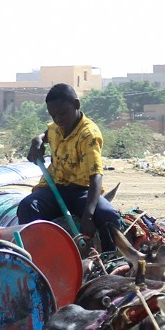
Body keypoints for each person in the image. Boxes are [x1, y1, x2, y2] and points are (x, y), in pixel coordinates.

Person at [19, 84, 123, 252]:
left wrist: (88, 216)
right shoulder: (56, 128)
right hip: (53, 189)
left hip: (80, 191)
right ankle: (37, 256)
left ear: (76, 104)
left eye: (62, 113)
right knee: (27, 206)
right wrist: (36, 140)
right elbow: (47, 133)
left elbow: (95, 176)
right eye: (53, 116)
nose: (58, 119)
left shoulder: (88, 134)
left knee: (109, 217)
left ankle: (110, 260)